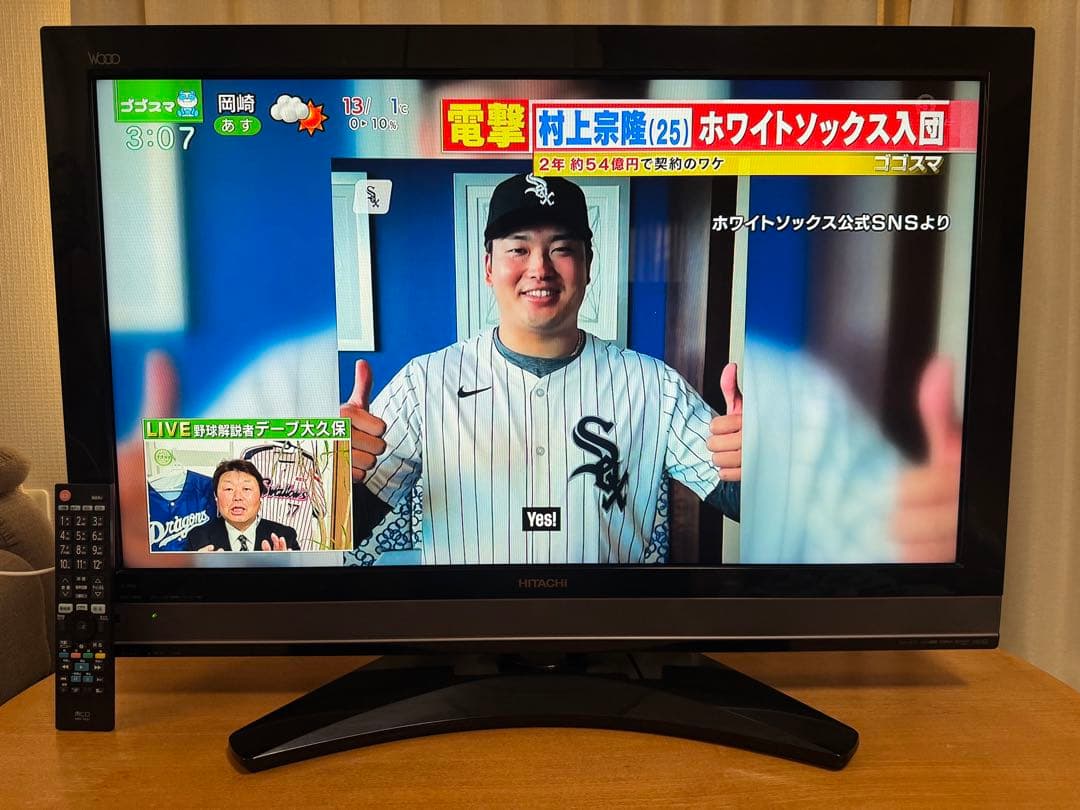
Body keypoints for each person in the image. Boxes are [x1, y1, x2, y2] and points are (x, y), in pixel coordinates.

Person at [342, 172, 741, 565]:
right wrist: (328, 463)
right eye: (518, 249)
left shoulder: (655, 385)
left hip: (606, 610)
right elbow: (330, 527)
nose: (540, 269)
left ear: (587, 266)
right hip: (468, 609)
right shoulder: (424, 383)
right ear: (488, 267)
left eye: (561, 249)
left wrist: (761, 456)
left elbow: (745, 500)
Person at [184, 459, 299, 552]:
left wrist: (284, 568)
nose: (237, 497)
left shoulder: (284, 536)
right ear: (216, 498)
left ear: (260, 497)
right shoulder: (198, 538)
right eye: (229, 489)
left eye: (246, 489)